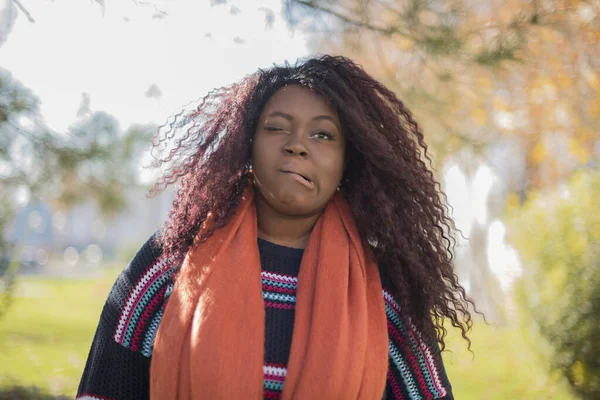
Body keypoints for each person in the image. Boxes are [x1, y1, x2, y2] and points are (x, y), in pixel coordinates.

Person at [77, 55, 475, 400]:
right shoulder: (169, 263)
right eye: (277, 127)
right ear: (245, 145)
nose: (297, 145)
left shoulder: (385, 286)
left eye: (323, 134)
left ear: (347, 163)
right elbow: (101, 392)